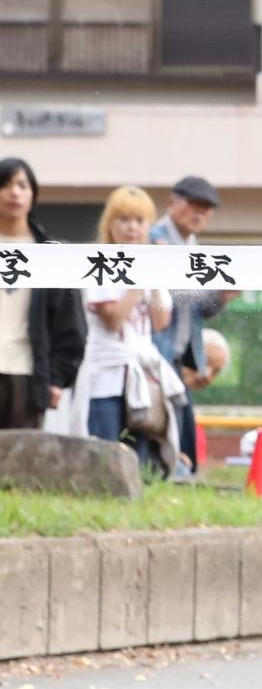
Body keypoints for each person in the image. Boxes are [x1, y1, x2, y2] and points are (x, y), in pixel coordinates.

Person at [82, 187, 179, 474]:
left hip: (142, 377)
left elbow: (161, 322)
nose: (132, 227)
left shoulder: (151, 266)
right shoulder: (98, 262)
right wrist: (141, 279)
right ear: (110, 224)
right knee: (106, 455)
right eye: (124, 219)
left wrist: (156, 274)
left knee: (139, 455)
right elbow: (112, 318)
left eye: (139, 220)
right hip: (106, 374)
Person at [148, 175, 236, 473]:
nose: (199, 214)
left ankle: (176, 476)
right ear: (173, 202)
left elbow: (199, 309)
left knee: (177, 422)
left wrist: (223, 296)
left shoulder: (193, 246)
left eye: (206, 208)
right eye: (193, 205)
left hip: (179, 352)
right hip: (153, 350)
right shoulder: (154, 239)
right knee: (160, 421)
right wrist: (214, 285)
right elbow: (167, 294)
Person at [0, 157, 85, 431]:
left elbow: (69, 322)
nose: (15, 193)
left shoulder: (50, 254)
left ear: (33, 195)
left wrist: (58, 377)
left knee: (21, 466)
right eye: (6, 185)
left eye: (23, 185)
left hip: (27, 374)